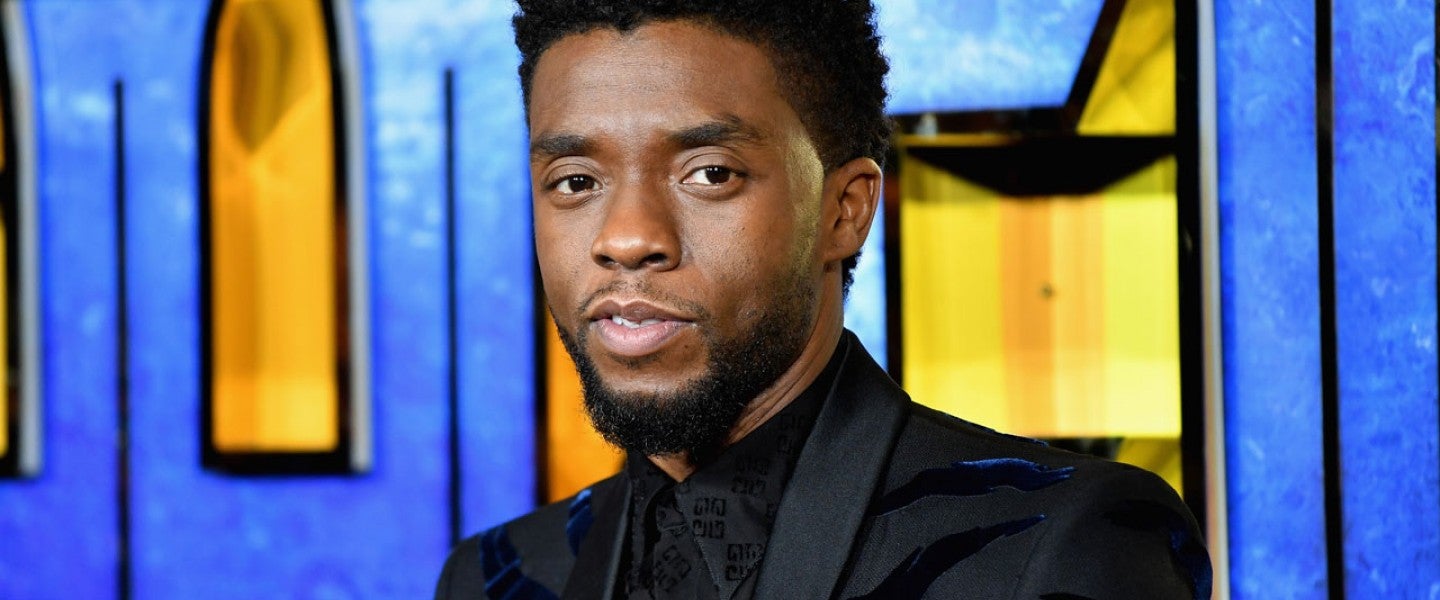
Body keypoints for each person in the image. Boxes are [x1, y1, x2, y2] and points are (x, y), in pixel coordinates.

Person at [435, 1, 1212, 598]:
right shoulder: (495, 577)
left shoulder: (1055, 545)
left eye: (710, 174)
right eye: (576, 182)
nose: (628, 237)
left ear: (845, 209)